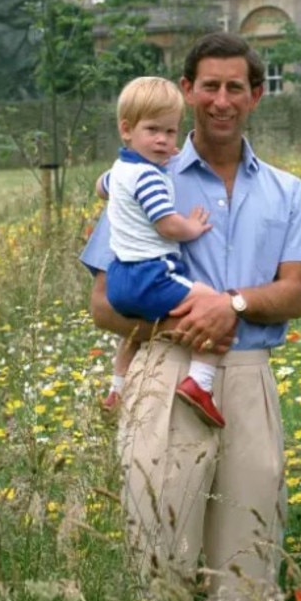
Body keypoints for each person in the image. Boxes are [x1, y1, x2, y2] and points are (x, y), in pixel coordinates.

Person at [80, 32, 301, 601]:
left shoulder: (285, 190)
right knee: (159, 541)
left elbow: (294, 293)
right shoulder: (140, 176)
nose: (222, 100)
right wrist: (183, 323)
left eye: (235, 88)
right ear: (187, 91)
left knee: (251, 541)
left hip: (247, 377)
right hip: (166, 367)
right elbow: (103, 302)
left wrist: (232, 305)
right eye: (209, 86)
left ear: (257, 96)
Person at [96, 75, 227, 428]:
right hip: (152, 273)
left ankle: (117, 389)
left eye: (170, 133)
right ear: (126, 130)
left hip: (120, 279)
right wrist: (193, 227)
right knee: (215, 306)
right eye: (153, 130)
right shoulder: (150, 177)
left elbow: (101, 187)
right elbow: (167, 225)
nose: (163, 141)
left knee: (133, 335)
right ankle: (200, 383)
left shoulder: (120, 169)